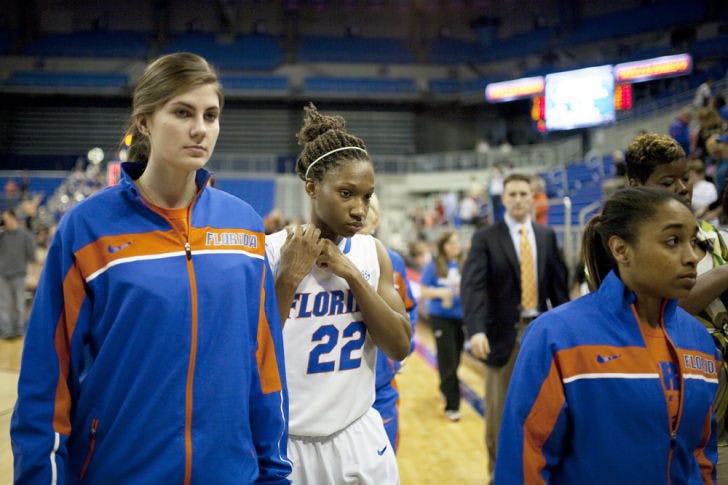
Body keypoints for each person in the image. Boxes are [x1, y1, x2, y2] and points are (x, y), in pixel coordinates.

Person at [11, 52, 292, 483]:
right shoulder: (86, 229)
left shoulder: (244, 227)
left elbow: (265, 366)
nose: (200, 128)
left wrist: (274, 473)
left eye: (211, 115)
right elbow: (47, 379)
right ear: (144, 120)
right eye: (182, 112)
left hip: (230, 474)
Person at [496, 187, 720, 483]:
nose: (692, 257)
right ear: (620, 249)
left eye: (693, 241)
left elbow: (701, 453)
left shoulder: (700, 341)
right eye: (672, 241)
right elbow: (525, 458)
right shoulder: (557, 336)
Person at [265, 103, 411, 484]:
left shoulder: (371, 254)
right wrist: (288, 278)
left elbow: (400, 346)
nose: (360, 209)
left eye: (366, 196)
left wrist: (352, 276)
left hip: (357, 436)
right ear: (312, 187)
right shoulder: (267, 252)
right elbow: (251, 350)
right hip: (289, 443)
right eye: (347, 193)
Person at [625, 132, 728, 481]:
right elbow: (667, 309)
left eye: (685, 178)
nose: (682, 188)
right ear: (636, 184)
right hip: (670, 399)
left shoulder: (713, 238)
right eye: (667, 182)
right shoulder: (626, 248)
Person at [460, 172, 569, 484]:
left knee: (546, 405)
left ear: (532, 198)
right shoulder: (485, 238)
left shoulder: (546, 236)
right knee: (498, 412)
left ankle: (541, 470)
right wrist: (476, 329)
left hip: (541, 331)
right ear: (503, 199)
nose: (519, 199)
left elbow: (559, 289)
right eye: (513, 194)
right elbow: (473, 288)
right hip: (499, 336)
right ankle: (497, 474)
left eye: (524, 193)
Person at [362, 193, 418, 452]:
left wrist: (406, 348)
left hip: (381, 384)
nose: (358, 214)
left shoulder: (393, 261)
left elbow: (409, 308)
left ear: (376, 221)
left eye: (367, 210)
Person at [419, 230, 465, 422]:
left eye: (457, 242)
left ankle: (445, 387)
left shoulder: (464, 265)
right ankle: (452, 406)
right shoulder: (434, 266)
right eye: (450, 243)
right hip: (440, 318)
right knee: (448, 359)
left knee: (456, 358)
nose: (454, 246)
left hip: (460, 318)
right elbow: (422, 290)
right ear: (443, 246)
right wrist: (440, 293)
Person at [0, 208, 36, 339]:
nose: (4, 221)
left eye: (6, 218)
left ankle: (20, 330)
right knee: (4, 305)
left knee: (20, 305)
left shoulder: (24, 235)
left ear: (13, 218)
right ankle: (6, 331)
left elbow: (31, 255)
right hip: (3, 274)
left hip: (19, 274)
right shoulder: (2, 235)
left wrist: (33, 271)